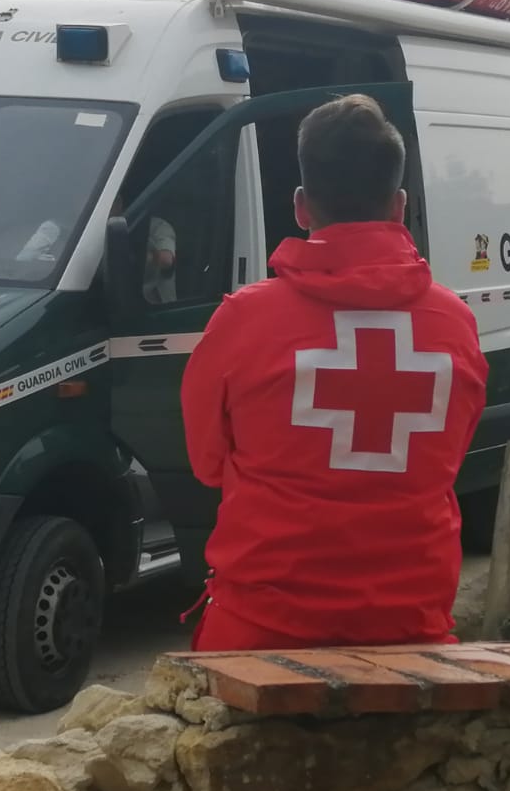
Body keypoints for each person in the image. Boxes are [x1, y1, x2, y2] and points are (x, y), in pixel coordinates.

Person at [180, 94, 488, 650]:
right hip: (410, 633)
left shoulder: (243, 320)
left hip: (257, 635)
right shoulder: (455, 324)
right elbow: (447, 456)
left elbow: (208, 464)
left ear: (301, 206)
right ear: (398, 207)